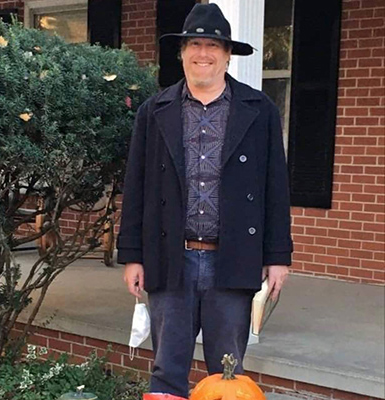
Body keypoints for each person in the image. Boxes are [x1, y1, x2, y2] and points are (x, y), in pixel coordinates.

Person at [116, 3, 293, 398]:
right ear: (181, 53)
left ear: (228, 54)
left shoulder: (259, 111)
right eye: (194, 44)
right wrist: (132, 255)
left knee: (228, 372)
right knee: (167, 369)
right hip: (169, 258)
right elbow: (136, 187)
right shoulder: (154, 111)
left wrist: (278, 256)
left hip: (232, 257)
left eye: (213, 45)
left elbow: (276, 188)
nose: (203, 53)